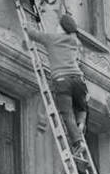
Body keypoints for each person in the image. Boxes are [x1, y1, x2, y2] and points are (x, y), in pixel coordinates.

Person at [25, 14, 88, 155]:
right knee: (81, 107)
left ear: (62, 28)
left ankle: (78, 142)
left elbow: (33, 34)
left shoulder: (52, 39)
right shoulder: (74, 42)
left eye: (58, 25)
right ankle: (81, 125)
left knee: (67, 114)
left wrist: (27, 24)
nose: (56, 27)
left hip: (62, 81)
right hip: (79, 80)